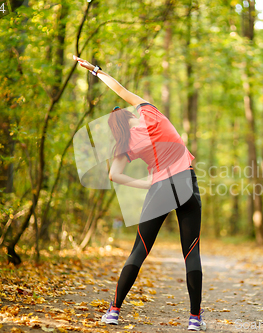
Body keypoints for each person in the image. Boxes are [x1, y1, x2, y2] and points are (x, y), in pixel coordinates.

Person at [73, 55, 206, 331]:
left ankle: (113, 311)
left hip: (159, 188)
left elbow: (114, 175)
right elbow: (120, 89)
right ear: (130, 114)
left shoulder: (126, 143)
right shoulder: (150, 113)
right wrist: (96, 71)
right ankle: (195, 320)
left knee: (140, 250)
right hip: (185, 182)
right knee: (191, 252)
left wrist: (146, 184)